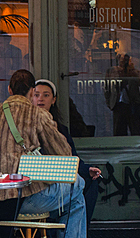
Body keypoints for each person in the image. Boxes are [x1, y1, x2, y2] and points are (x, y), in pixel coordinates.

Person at [0, 69, 89, 238]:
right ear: (32, 92)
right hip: (20, 199)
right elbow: (64, 155)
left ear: (9, 90)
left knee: (76, 192)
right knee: (77, 186)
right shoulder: (38, 115)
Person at [32, 78, 102, 223]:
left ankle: (78, 236)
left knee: (89, 181)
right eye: (36, 94)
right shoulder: (26, 127)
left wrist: (87, 169)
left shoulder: (60, 129)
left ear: (53, 100)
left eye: (46, 95)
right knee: (73, 187)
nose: (40, 99)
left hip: (59, 176)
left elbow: (72, 157)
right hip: (37, 182)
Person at [104, 53, 140, 136]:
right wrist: (109, 102)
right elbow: (107, 87)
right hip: (118, 104)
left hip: (132, 104)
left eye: (126, 60)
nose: (124, 63)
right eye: (122, 61)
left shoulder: (133, 71)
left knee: (135, 130)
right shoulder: (113, 71)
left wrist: (133, 74)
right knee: (119, 130)